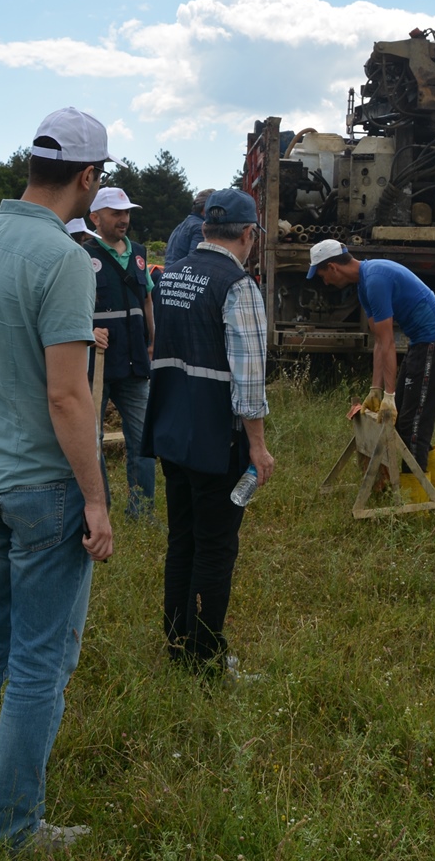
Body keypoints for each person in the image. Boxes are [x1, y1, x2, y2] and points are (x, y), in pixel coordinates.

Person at [0, 107, 116, 852]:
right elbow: (68, 394)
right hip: (43, 489)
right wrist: (96, 498)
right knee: (38, 661)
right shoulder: (64, 260)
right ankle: (11, 828)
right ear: (87, 177)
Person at [143, 189, 274, 677]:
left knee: (182, 539)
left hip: (170, 429)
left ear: (202, 230)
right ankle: (207, 658)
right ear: (248, 234)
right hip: (217, 437)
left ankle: (177, 640)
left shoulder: (169, 275)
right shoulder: (238, 286)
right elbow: (249, 376)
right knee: (217, 546)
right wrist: (257, 446)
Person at [308, 239, 435, 498]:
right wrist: (376, 390)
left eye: (322, 275)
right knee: (405, 420)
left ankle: (417, 500)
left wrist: (391, 395)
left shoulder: (375, 279)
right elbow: (378, 341)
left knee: (413, 423)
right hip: (423, 343)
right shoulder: (365, 284)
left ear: (332, 267)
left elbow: (389, 342)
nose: (324, 282)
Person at [82, 187, 157, 519]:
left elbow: (146, 301)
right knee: (91, 440)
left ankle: (142, 511)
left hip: (136, 363)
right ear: (95, 218)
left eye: (126, 212)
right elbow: (67, 307)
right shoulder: (81, 256)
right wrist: (87, 331)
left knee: (143, 441)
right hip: (96, 364)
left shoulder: (139, 254)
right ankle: (100, 508)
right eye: (115, 213)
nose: (123, 218)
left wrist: (153, 341)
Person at [163, 188, 214, 265]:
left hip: (170, 273)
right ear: (205, 208)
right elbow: (195, 261)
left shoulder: (182, 225)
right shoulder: (200, 227)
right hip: (183, 274)